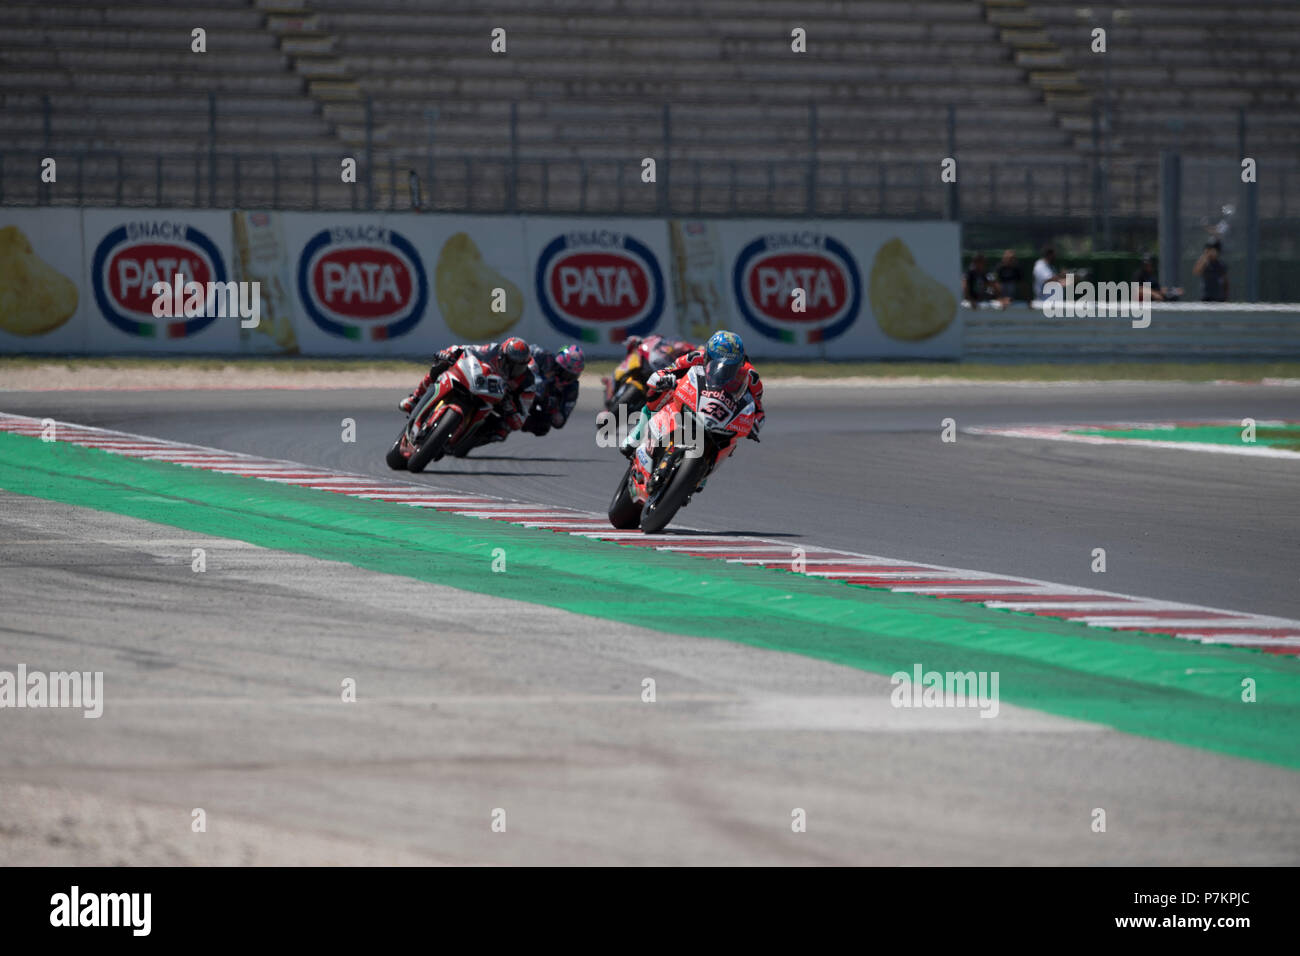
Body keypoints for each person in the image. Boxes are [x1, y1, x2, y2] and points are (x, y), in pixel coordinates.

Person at [621, 329, 764, 458]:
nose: (721, 369)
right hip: (695, 392)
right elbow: (669, 370)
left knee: (731, 441)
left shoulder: (751, 376)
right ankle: (639, 431)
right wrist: (662, 378)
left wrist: (755, 422)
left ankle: (705, 468)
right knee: (659, 391)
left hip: (723, 409)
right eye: (715, 362)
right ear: (707, 355)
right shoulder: (695, 357)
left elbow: (758, 408)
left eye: (730, 366)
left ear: (740, 362)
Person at [399, 337, 540, 448]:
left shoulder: (527, 383)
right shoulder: (493, 350)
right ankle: (415, 398)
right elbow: (468, 349)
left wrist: (510, 409)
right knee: (441, 366)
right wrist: (449, 353)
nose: (513, 368)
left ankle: (465, 439)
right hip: (477, 383)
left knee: (501, 428)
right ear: (502, 356)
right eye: (510, 363)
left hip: (498, 404)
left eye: (518, 366)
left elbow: (520, 421)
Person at [522, 343, 584, 436]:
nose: (567, 379)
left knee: (543, 427)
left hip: (538, 406)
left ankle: (515, 422)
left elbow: (561, 421)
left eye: (572, 376)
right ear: (558, 365)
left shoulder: (572, 388)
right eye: (565, 373)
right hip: (522, 386)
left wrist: (556, 415)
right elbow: (525, 351)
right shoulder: (543, 356)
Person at [1193, 238, 1229, 302]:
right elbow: (1196, 272)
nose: (1210, 251)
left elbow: (1225, 282)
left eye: (1212, 249)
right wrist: (1204, 257)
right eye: (1208, 249)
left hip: (1218, 297)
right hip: (1206, 296)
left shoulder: (1221, 264)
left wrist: (1226, 297)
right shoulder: (1204, 262)